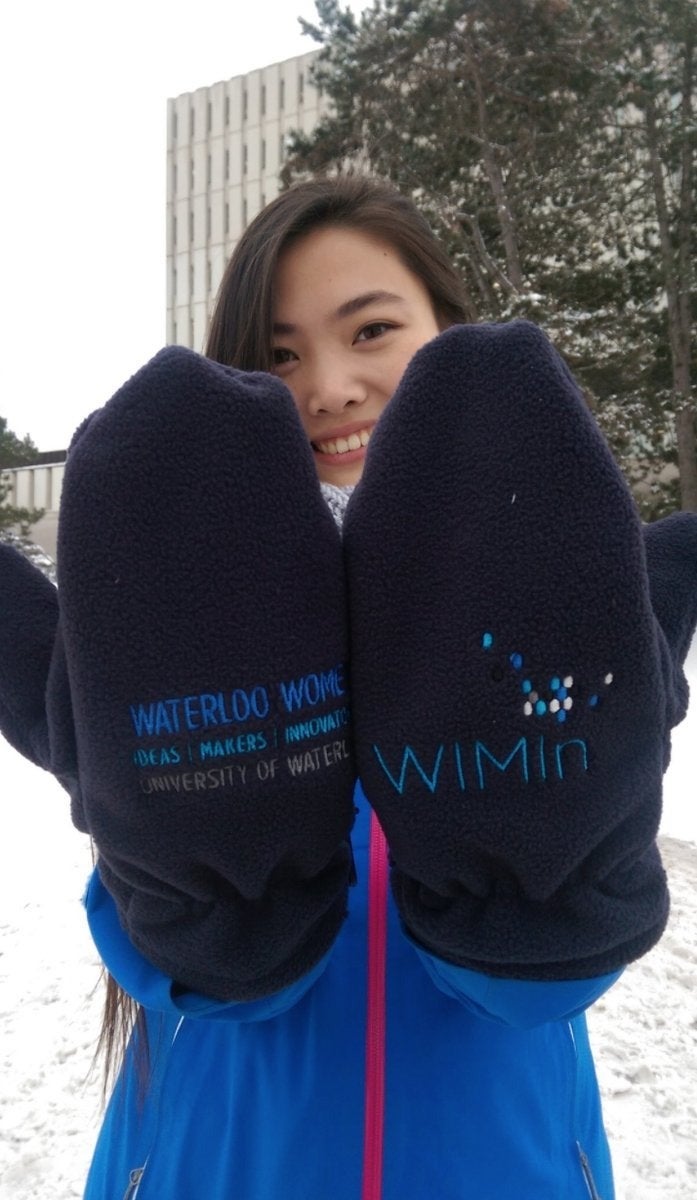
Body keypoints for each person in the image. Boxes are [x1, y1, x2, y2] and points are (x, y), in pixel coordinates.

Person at [1, 174, 696, 1200]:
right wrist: (197, 892)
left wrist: (539, 909)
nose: (325, 386)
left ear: (451, 337)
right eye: (279, 354)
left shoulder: (552, 609)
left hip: (498, 1163)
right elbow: (176, 975)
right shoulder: (172, 623)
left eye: (370, 329)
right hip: (222, 1160)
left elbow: (550, 981)